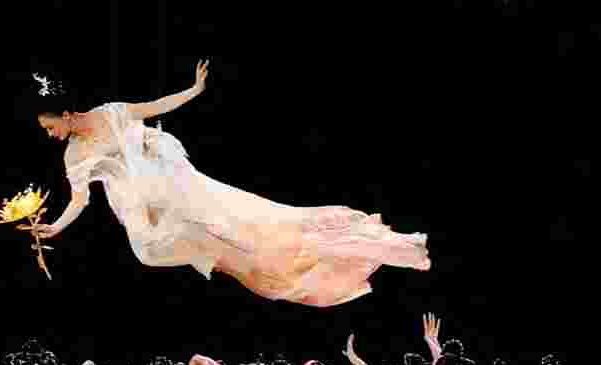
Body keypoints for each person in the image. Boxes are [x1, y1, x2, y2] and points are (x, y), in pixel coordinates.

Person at [31, 61, 430, 306]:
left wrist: (192, 90)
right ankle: (213, 247)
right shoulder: (75, 155)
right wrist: (56, 226)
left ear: (66, 113)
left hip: (170, 186)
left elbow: (153, 108)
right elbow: (79, 199)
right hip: (140, 208)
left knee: (256, 224)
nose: (50, 135)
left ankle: (237, 244)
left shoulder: (111, 113)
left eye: (50, 126)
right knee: (147, 251)